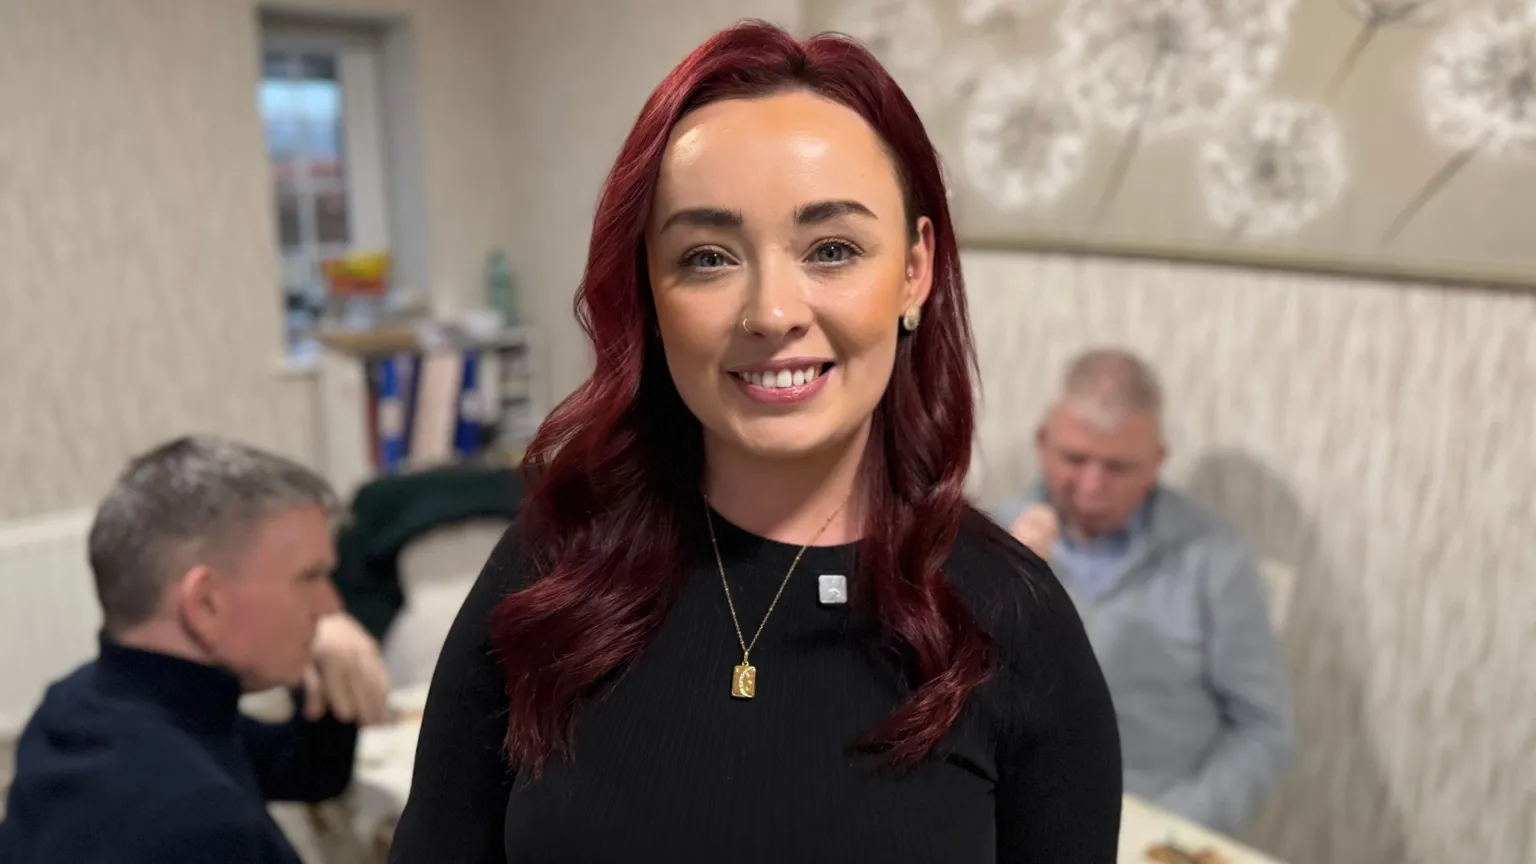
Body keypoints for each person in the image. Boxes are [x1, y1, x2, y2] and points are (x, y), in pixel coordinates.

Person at [390, 20, 1120, 864]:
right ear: (649, 292)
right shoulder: (555, 571)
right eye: (706, 256)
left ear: (914, 270)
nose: (773, 312)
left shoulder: (1012, 623)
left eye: (833, 248)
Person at [0, 436, 392, 864]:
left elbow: (307, 773)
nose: (331, 606)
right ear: (206, 604)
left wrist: (327, 676)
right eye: (310, 577)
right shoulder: (203, 825)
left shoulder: (75, 705)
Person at [994, 348, 1293, 835]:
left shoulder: (1214, 557)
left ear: (1157, 462)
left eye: (1118, 468)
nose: (1091, 485)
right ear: (1043, 443)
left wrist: (1174, 825)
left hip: (1154, 818)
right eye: (1074, 458)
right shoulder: (995, 535)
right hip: (1014, 817)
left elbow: (1264, 730)